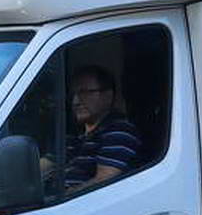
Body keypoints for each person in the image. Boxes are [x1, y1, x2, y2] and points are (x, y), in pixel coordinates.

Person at [59, 64, 143, 192]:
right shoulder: (75, 135)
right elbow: (46, 165)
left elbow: (103, 181)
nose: (76, 101)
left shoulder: (119, 131)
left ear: (108, 95)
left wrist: (63, 197)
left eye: (84, 92)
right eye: (73, 94)